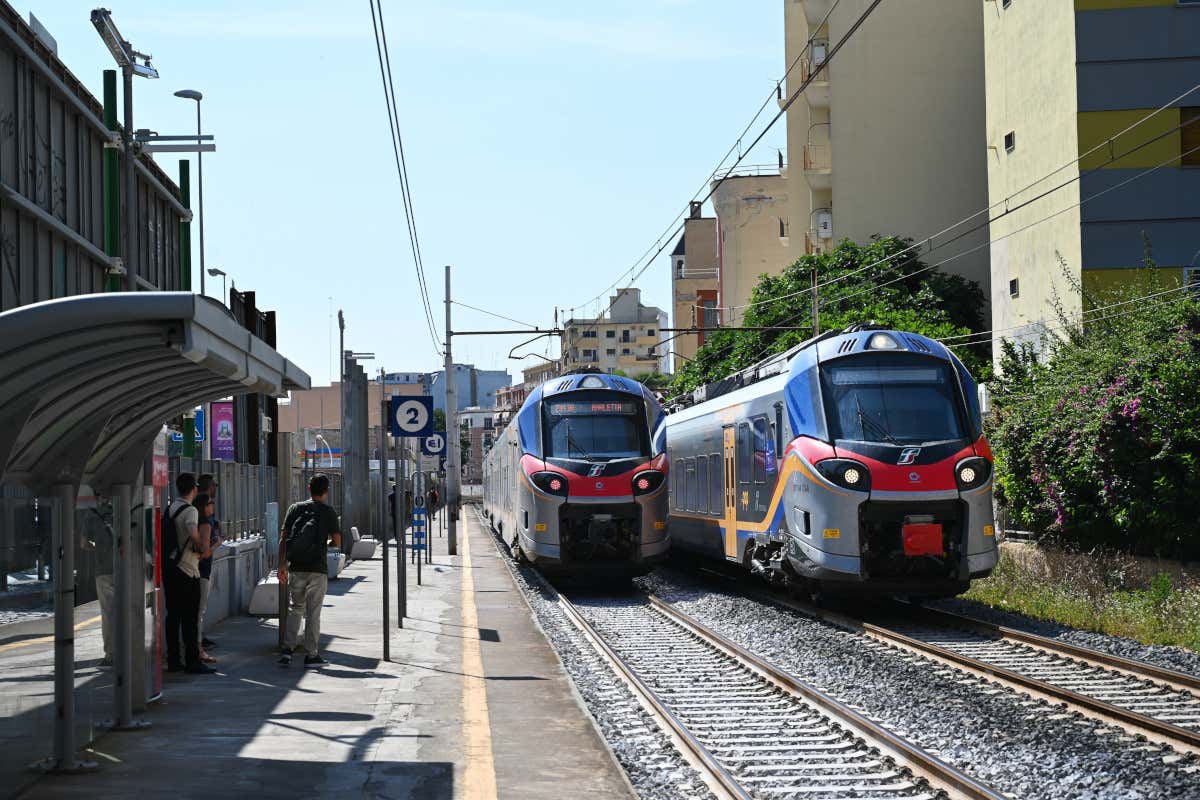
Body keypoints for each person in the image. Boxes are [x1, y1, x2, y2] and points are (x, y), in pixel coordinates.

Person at [278, 473, 341, 668]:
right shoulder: (328, 511)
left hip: (296, 567)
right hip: (317, 569)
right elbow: (337, 541)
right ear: (326, 492)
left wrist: (281, 565)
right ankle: (311, 655)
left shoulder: (295, 508)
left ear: (308, 489)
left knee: (295, 608)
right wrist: (325, 545)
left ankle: (287, 650)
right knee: (313, 612)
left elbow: (283, 538)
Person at [164, 474, 215, 674]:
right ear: (194, 489)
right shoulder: (191, 510)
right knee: (190, 619)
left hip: (170, 568)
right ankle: (193, 661)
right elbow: (192, 531)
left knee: (173, 616)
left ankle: (174, 660)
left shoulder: (171, 508)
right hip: (187, 569)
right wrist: (200, 544)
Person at [80, 502, 115, 668]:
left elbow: (84, 544)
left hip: (103, 570)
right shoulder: (127, 506)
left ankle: (110, 654)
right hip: (126, 569)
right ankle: (130, 649)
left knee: (108, 613)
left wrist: (99, 547)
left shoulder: (92, 513)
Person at [192, 492, 223, 664]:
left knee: (194, 612)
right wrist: (216, 544)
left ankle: (193, 647)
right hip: (202, 572)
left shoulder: (199, 521)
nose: (213, 505)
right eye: (210, 503)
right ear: (204, 506)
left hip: (192, 571)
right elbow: (204, 553)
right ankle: (198, 648)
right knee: (199, 612)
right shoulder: (204, 524)